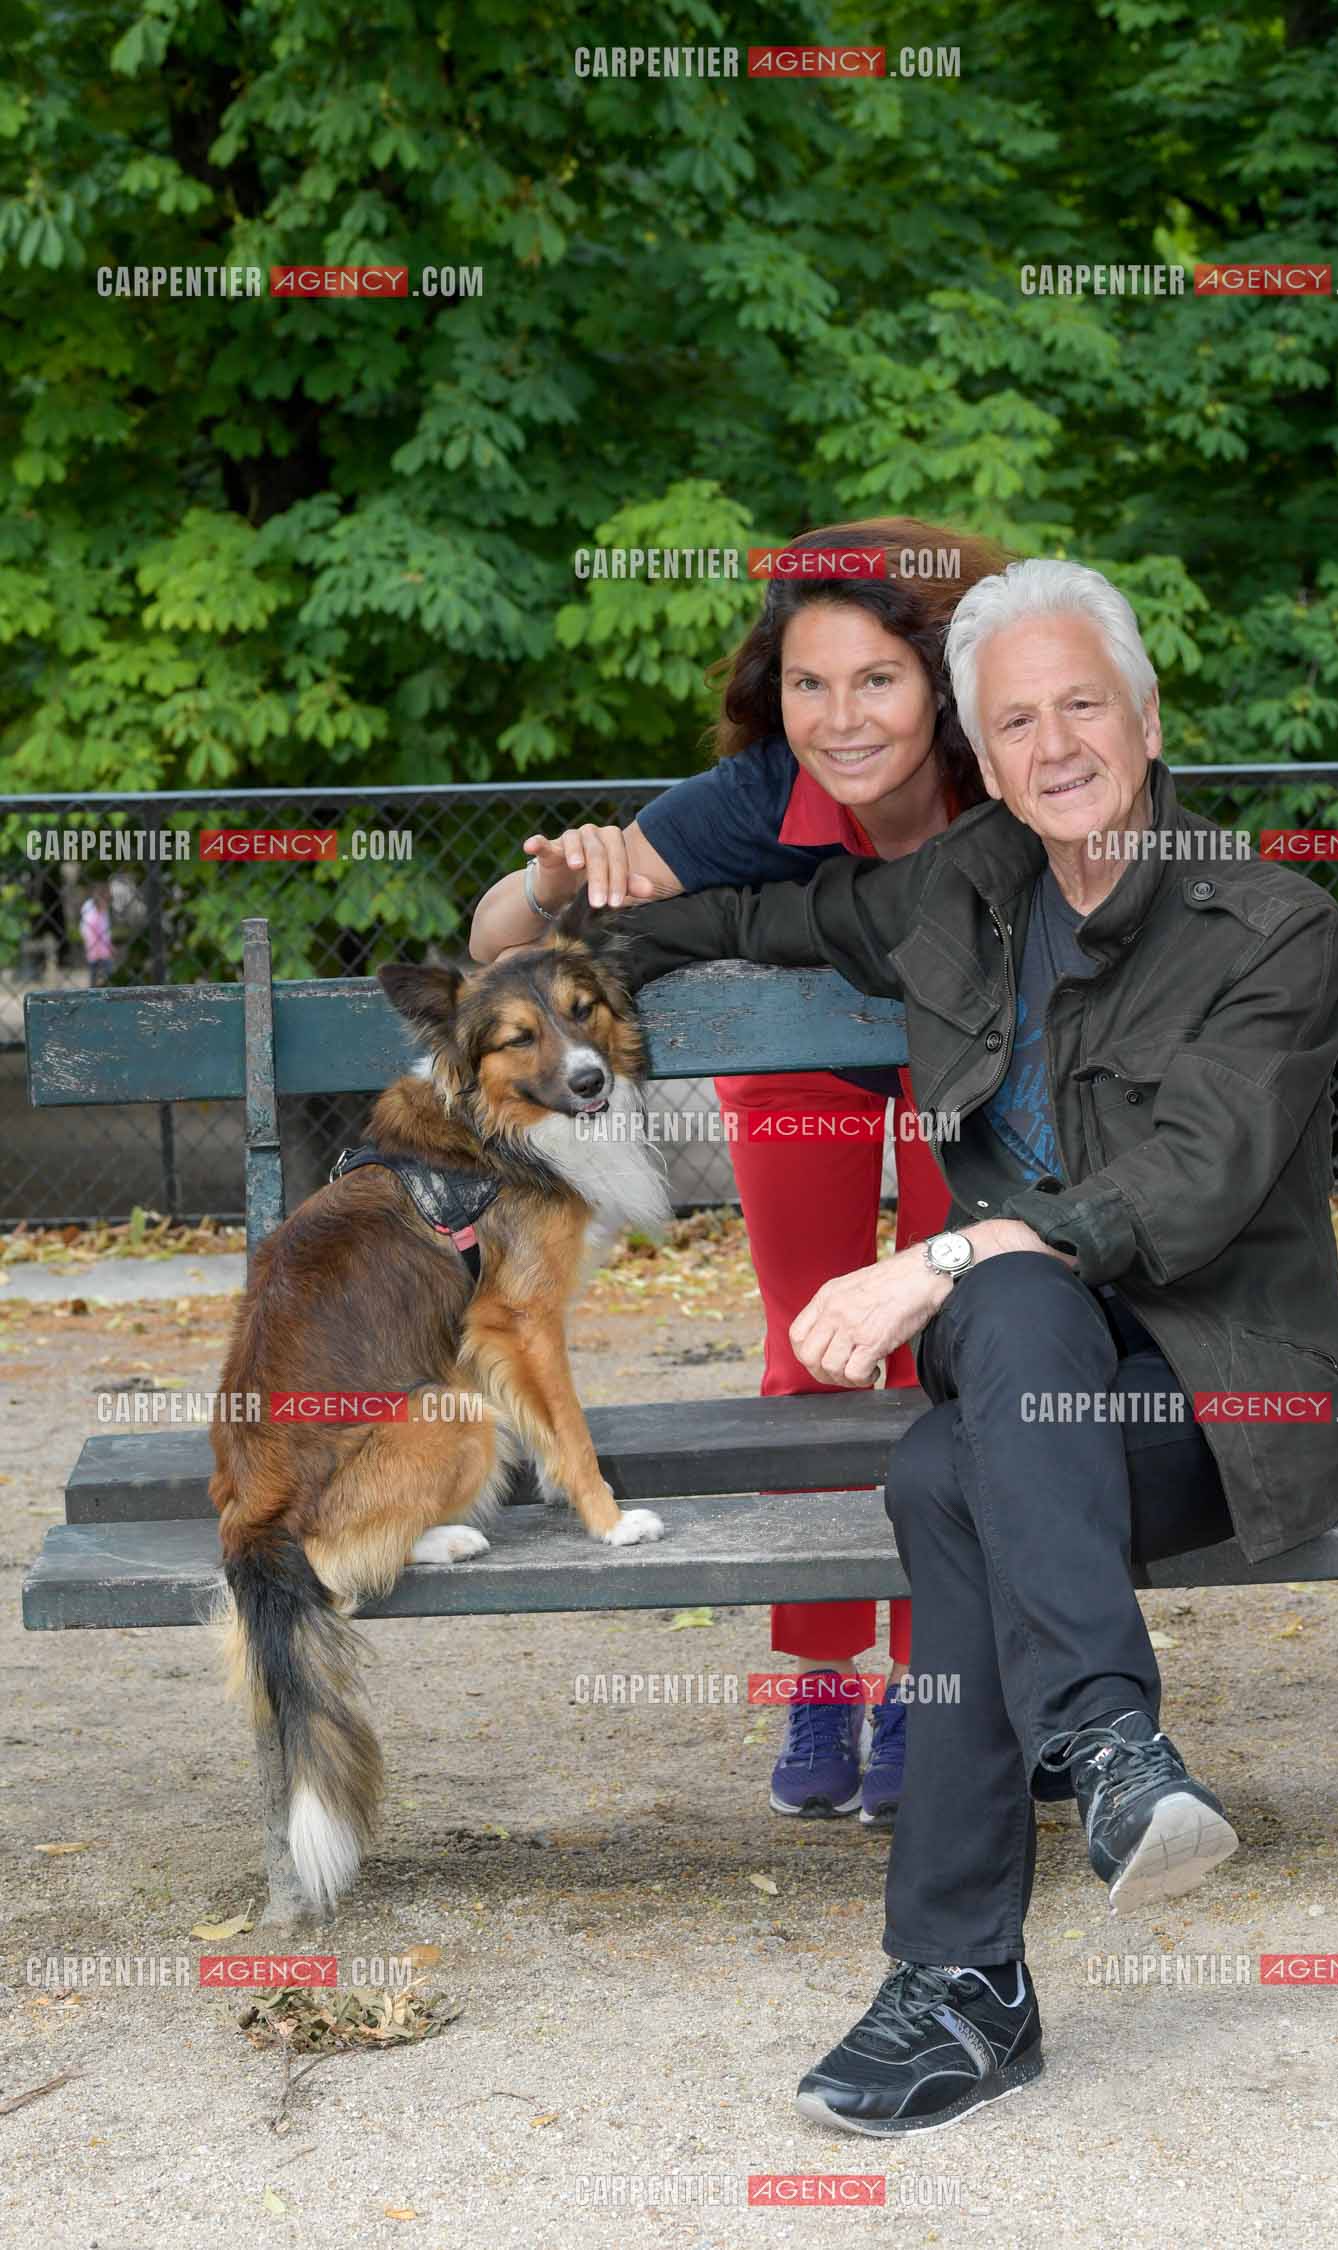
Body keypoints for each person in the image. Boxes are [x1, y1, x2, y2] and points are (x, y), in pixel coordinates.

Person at [597, 557, 1338, 2135]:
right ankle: (1109, 1747)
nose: (1055, 742)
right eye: (1015, 720)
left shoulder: (1272, 923)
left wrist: (933, 1253)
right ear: (987, 752)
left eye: (1083, 703)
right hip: (1035, 1377)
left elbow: (1188, 1185)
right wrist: (569, 944)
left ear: (1148, 719)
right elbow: (749, 908)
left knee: (949, 1469)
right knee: (1009, 1320)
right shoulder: (961, 892)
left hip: (1213, 1406)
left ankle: (966, 1985)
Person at [470, 518, 1015, 1826]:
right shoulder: (754, 796)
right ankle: (822, 1675)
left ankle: (929, 1682)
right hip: (810, 1086)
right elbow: (497, 941)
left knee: (960, 1347)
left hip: (971, 1088)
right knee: (814, 1340)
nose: (839, 717)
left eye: (876, 680)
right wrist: (548, 882)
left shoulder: (1007, 773)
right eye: (807, 683)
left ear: (939, 682)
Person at [80, 882, 113, 987]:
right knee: (99, 973)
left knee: (98, 974)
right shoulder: (91, 912)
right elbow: (88, 931)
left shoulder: (103, 911)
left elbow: (105, 932)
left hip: (102, 949)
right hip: (97, 949)